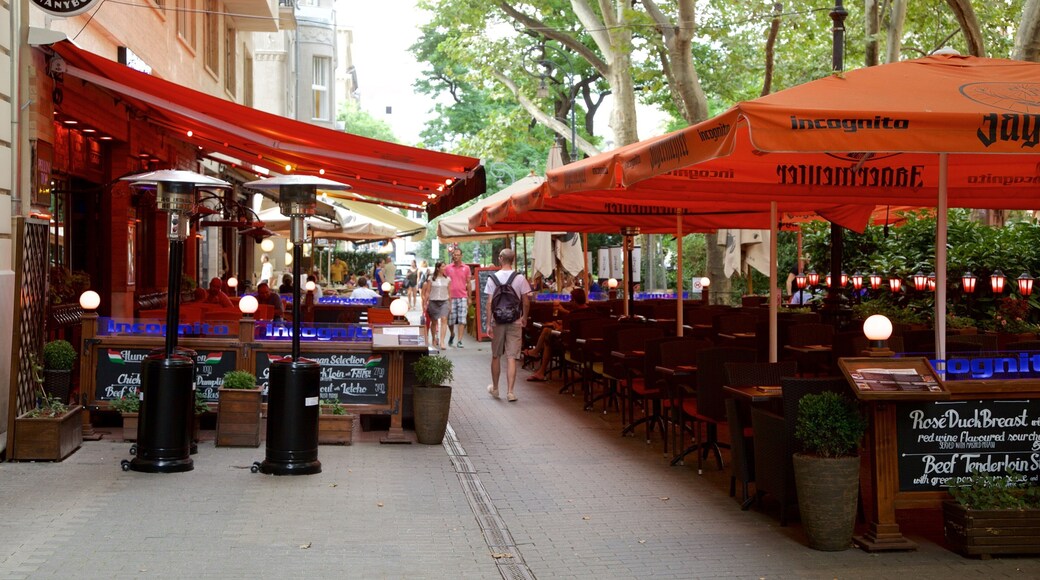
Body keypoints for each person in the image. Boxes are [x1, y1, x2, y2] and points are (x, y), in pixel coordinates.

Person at [484, 248, 531, 402]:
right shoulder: (520, 278)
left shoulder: (493, 278)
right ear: (513, 259)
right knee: (512, 357)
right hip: (515, 320)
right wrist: (524, 317)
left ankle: (496, 388)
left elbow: (489, 303)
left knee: (496, 355)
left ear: (501, 258)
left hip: (498, 321)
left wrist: (488, 323)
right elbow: (525, 300)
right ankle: (510, 392)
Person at [525, 288, 588, 382]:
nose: (570, 302)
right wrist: (562, 323)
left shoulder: (576, 314)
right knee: (547, 332)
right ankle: (537, 357)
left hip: (572, 345)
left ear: (574, 300)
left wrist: (559, 325)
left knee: (548, 339)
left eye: (571, 300)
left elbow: (570, 329)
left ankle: (539, 367)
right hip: (587, 345)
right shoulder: (589, 311)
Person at [444, 248, 471, 348]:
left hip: (463, 296)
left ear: (461, 256)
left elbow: (468, 283)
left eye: (457, 255)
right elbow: (444, 282)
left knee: (462, 319)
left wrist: (469, 297)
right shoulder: (448, 268)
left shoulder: (466, 268)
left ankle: (459, 340)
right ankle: (452, 334)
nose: (455, 256)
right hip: (451, 297)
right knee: (450, 320)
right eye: (454, 255)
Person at [423, 262, 450, 349]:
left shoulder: (448, 279)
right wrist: (425, 303)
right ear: (438, 268)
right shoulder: (431, 279)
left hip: (444, 301)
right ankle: (434, 338)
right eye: (443, 266)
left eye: (445, 266)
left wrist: (450, 304)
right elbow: (427, 292)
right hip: (433, 301)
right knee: (434, 322)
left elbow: (449, 293)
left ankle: (442, 341)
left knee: (444, 319)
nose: (444, 268)